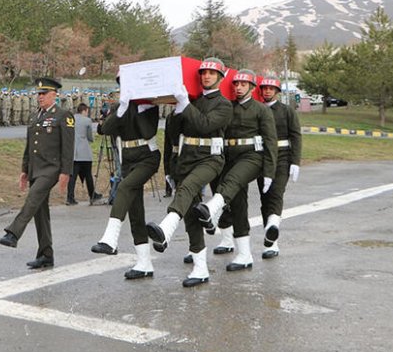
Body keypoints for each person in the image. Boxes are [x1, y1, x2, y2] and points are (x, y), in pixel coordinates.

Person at [146, 58, 233, 287]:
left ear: (220, 78)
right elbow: (173, 138)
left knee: (188, 187)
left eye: (212, 74)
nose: (206, 76)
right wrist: (170, 168)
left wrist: (185, 105)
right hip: (186, 158)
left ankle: (166, 226)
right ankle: (200, 268)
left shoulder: (224, 104)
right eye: (203, 73)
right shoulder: (188, 102)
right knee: (193, 216)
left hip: (211, 158)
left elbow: (205, 125)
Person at [193, 69, 277, 273]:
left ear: (251, 87)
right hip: (230, 155)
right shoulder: (227, 107)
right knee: (238, 204)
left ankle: (212, 208)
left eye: (243, 85)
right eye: (236, 84)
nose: (238, 88)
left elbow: (270, 141)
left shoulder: (261, 110)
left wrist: (269, 172)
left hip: (252, 156)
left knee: (232, 179)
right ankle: (244, 254)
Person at [0, 77, 75, 269]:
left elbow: (68, 148)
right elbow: (29, 146)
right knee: (40, 211)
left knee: (33, 198)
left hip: (52, 168)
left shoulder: (64, 115)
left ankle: (13, 234)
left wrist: (66, 173)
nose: (40, 97)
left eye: (44, 94)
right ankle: (46, 254)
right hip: (36, 169)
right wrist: (24, 170)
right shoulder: (34, 116)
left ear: (54, 95)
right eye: (38, 94)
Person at [90, 74, 161, 280]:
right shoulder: (119, 107)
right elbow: (104, 129)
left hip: (147, 157)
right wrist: (121, 109)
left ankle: (110, 240)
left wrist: (136, 108)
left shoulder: (148, 105)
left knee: (123, 188)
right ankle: (144, 263)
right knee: (135, 211)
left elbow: (148, 132)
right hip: (127, 160)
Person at [255, 75, 302, 259]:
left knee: (276, 192)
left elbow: (296, 136)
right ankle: (270, 239)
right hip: (262, 157)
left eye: (271, 88)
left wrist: (295, 161)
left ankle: (273, 231)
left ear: (277, 92)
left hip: (282, 157)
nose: (267, 91)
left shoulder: (286, 111)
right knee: (265, 198)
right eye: (264, 88)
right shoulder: (258, 110)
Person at [66, 103, 101, 205]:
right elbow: (90, 137)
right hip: (84, 152)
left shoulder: (71, 119)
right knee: (88, 175)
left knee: (72, 176)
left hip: (73, 152)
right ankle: (92, 195)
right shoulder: (87, 120)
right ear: (85, 110)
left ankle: (70, 197)